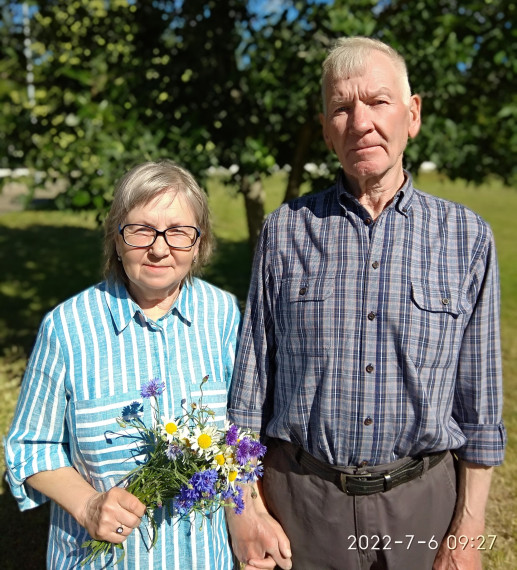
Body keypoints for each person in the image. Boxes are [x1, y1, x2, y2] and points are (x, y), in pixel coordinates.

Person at [226, 37, 506, 570]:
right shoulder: (285, 232)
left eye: (378, 102)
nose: (361, 123)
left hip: (423, 505)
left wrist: (468, 529)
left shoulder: (467, 238)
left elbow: (481, 404)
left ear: (412, 113)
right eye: (341, 108)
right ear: (327, 129)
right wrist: (243, 508)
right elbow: (249, 389)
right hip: (302, 507)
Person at [4, 160, 241, 569]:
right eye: (141, 230)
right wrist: (89, 506)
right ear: (116, 239)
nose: (160, 248)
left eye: (179, 232)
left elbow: (242, 437)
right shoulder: (68, 328)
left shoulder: (222, 315)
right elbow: (29, 447)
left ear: (199, 244)